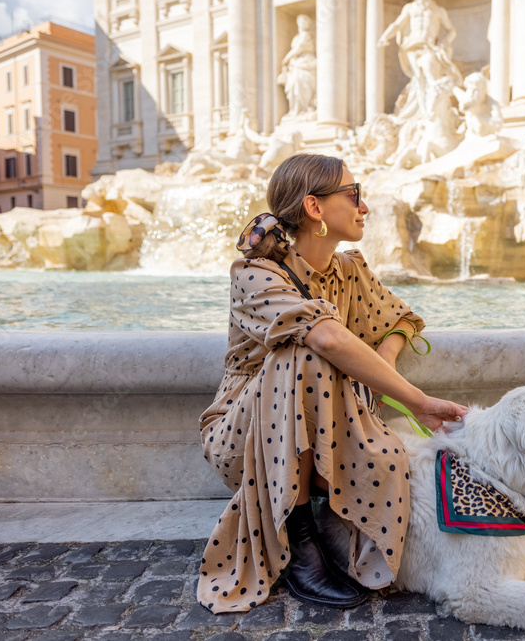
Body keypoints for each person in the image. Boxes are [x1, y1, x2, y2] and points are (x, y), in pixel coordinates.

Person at [197, 153, 468, 613]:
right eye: (354, 195)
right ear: (314, 208)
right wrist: (418, 401)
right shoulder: (255, 275)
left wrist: (385, 355)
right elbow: (324, 336)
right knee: (305, 350)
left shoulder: (349, 270)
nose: (365, 207)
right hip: (246, 436)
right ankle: (300, 546)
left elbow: (402, 318)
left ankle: (325, 525)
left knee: (315, 352)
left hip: (325, 427)